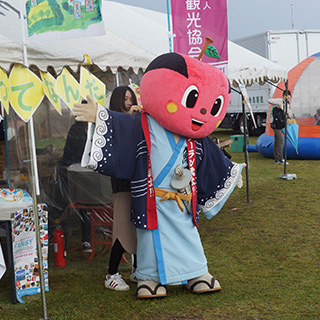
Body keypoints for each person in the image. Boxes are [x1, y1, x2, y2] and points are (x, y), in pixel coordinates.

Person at [104, 86, 142, 291]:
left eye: (131, 98)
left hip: (137, 180)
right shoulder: (113, 121)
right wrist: (129, 117)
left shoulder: (133, 119)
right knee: (122, 229)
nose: (129, 102)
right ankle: (111, 274)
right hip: (121, 182)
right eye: (125, 99)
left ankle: (137, 269)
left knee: (137, 225)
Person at [48, 121, 92, 253]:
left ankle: (86, 240)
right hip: (69, 173)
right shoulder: (76, 130)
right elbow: (79, 153)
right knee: (60, 204)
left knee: (86, 206)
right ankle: (47, 232)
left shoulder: (94, 127)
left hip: (85, 175)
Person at [269, 95, 288, 165]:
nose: (288, 97)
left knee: (277, 140)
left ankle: (276, 158)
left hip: (279, 124)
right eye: (288, 96)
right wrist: (278, 104)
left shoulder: (286, 103)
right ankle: (280, 158)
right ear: (285, 96)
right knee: (280, 140)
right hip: (275, 125)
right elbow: (269, 100)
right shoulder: (279, 101)